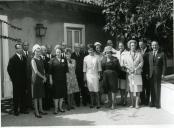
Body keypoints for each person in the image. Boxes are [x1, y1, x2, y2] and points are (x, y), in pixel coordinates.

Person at [7, 43, 29, 116]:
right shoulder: (12, 59)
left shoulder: (24, 58)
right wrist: (14, 79)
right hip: (16, 81)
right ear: (16, 49)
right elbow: (9, 70)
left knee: (23, 95)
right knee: (16, 96)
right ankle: (16, 110)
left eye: (20, 48)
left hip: (23, 80)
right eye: (18, 48)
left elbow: (25, 70)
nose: (19, 49)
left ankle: (23, 109)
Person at [124, 40, 143, 109]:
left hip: (137, 73)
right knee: (131, 89)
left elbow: (141, 63)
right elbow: (125, 63)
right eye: (132, 45)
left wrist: (135, 69)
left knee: (137, 89)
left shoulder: (139, 54)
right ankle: (132, 103)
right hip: (130, 74)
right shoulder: (126, 54)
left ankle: (137, 104)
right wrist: (129, 68)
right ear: (129, 46)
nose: (133, 46)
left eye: (134, 45)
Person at [49, 47, 68, 114]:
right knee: (56, 95)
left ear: (61, 52)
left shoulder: (64, 59)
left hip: (62, 80)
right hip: (55, 80)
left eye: (59, 52)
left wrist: (67, 79)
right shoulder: (52, 60)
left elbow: (66, 70)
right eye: (57, 52)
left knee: (61, 94)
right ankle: (56, 109)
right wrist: (50, 79)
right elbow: (50, 72)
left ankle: (60, 108)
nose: (58, 53)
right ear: (55, 52)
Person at [83, 44, 102, 109]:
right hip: (88, 75)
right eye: (89, 50)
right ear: (88, 50)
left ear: (93, 50)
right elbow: (84, 69)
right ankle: (92, 103)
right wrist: (84, 76)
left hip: (95, 75)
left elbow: (99, 67)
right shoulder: (85, 58)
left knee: (96, 90)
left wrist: (99, 75)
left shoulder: (97, 57)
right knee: (90, 90)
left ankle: (98, 104)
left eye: (91, 50)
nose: (90, 51)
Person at [31, 44, 47, 118]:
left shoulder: (40, 58)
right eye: (37, 51)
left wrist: (44, 76)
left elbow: (43, 68)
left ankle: (41, 109)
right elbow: (36, 71)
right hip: (35, 80)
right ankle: (36, 111)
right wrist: (43, 77)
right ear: (34, 51)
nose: (38, 52)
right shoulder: (33, 60)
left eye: (39, 51)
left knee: (40, 95)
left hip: (41, 79)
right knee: (36, 96)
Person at [149, 41, 166, 109]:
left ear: (158, 45)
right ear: (151, 46)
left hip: (158, 74)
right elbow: (149, 65)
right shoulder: (150, 53)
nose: (154, 47)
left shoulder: (162, 54)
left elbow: (164, 65)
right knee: (152, 89)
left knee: (157, 89)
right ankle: (152, 102)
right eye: (153, 45)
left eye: (155, 45)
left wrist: (163, 74)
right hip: (151, 74)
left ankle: (157, 104)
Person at [40, 45, 52, 110]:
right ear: (41, 51)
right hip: (41, 78)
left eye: (45, 50)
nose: (45, 51)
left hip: (47, 78)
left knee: (47, 92)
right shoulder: (38, 58)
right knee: (42, 93)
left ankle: (47, 106)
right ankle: (42, 107)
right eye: (44, 50)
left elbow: (49, 69)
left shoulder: (48, 59)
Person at [22, 42, 33, 110]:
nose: (26, 46)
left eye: (27, 45)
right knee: (23, 91)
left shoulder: (31, 53)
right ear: (23, 46)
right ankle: (24, 106)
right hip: (23, 77)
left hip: (30, 76)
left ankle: (29, 104)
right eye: (25, 45)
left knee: (29, 91)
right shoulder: (21, 54)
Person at [116, 42, 128, 106]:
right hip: (118, 71)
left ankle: (125, 100)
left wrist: (125, 67)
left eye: (122, 46)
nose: (120, 47)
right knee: (120, 87)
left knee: (124, 87)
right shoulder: (117, 53)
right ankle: (121, 100)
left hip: (124, 71)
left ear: (124, 46)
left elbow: (128, 62)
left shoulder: (127, 53)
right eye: (119, 46)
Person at [139, 40, 150, 105]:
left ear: (145, 44)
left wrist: (147, 73)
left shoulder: (149, 51)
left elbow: (149, 64)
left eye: (141, 44)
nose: (140, 46)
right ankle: (142, 100)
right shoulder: (139, 51)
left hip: (146, 72)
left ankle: (147, 101)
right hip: (140, 72)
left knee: (147, 87)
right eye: (139, 45)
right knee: (141, 87)